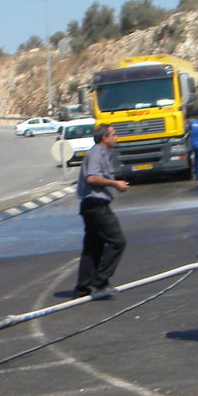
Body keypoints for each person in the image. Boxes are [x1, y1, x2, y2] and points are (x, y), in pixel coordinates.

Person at [73, 125, 129, 299]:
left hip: (93, 205)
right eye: (114, 135)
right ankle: (100, 282)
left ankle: (83, 287)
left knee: (93, 247)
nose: (116, 137)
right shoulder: (97, 152)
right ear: (105, 138)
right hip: (95, 205)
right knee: (117, 241)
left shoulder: (103, 153)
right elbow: (91, 177)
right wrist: (115, 184)